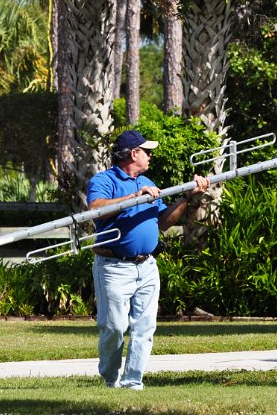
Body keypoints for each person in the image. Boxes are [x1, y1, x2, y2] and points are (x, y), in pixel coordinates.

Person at [87, 129, 210, 390]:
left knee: (144, 328)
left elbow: (164, 223)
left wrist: (187, 198)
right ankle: (110, 379)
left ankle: (133, 382)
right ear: (134, 153)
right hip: (114, 267)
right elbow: (95, 208)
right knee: (115, 327)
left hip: (147, 266)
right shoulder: (105, 180)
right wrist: (134, 197)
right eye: (147, 151)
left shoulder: (149, 181)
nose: (151, 156)